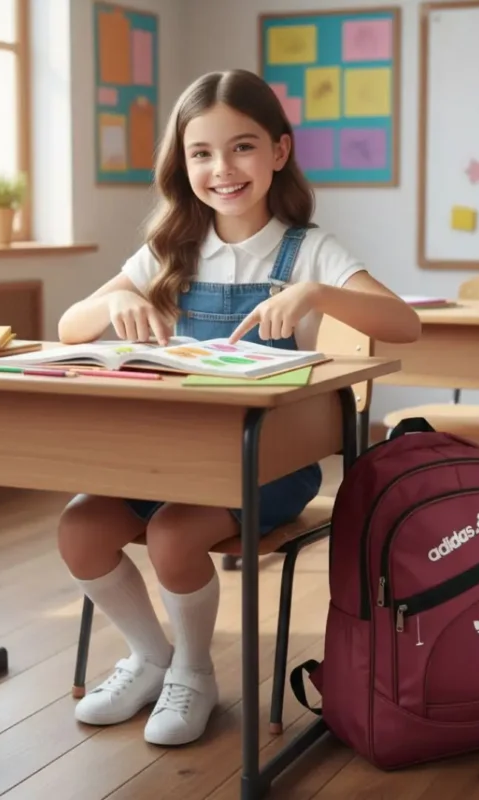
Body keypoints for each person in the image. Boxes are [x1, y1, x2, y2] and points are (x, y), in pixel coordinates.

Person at [56, 68, 420, 747]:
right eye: (202, 153)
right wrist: (114, 301)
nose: (222, 168)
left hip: (270, 464)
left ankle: (194, 672)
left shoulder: (308, 247)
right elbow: (71, 325)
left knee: (170, 533)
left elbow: (403, 323)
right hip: (173, 458)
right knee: (80, 528)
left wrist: (319, 295)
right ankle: (151, 658)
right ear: (182, 161)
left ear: (279, 152)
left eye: (242, 147)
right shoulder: (170, 249)